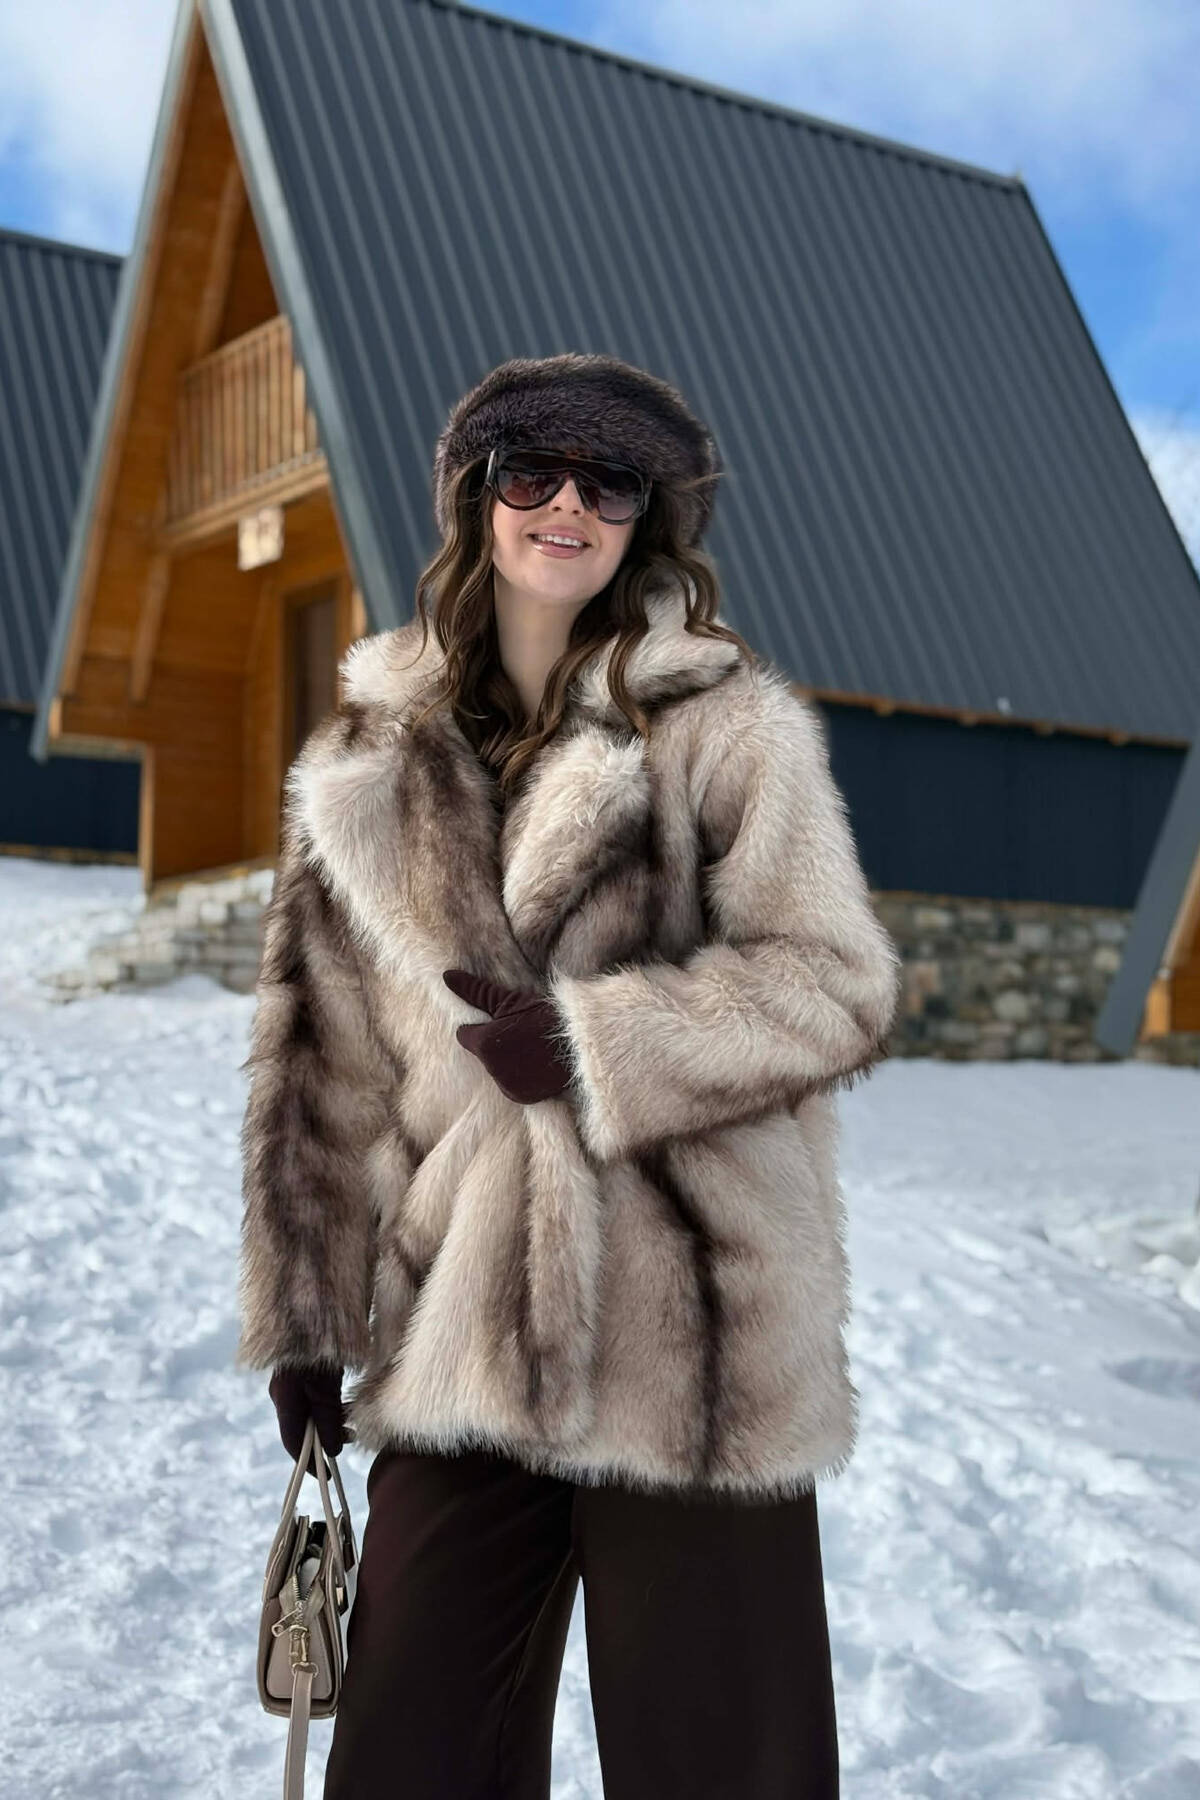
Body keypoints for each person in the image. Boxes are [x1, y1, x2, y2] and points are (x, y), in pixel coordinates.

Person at [236, 352, 902, 1799]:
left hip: (693, 1336)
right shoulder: (369, 760)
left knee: (722, 1769)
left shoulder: (724, 725)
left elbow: (836, 980)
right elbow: (318, 1067)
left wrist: (597, 1047)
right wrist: (306, 1316)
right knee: (408, 1756)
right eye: (531, 471)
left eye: (609, 483)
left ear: (646, 522)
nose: (567, 505)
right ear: (475, 502)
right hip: (466, 1317)